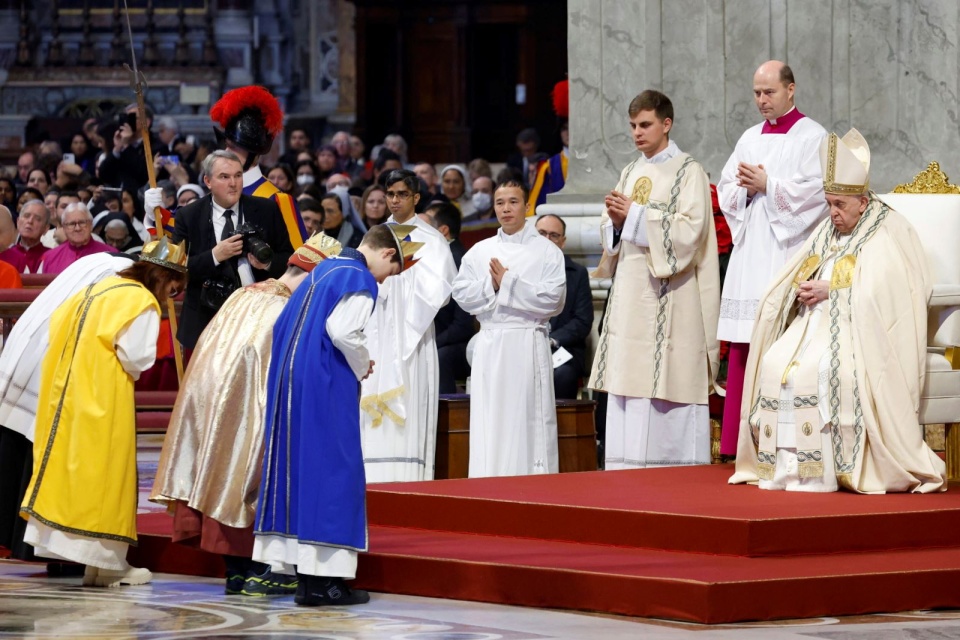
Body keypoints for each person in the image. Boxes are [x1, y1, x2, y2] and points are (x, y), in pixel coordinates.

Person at [729, 129, 946, 494]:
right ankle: (784, 471)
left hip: (857, 331)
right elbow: (798, 270)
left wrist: (834, 291)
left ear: (862, 202)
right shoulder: (829, 228)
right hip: (812, 324)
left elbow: (897, 292)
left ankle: (821, 474)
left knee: (818, 370)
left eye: (839, 206)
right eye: (828, 203)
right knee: (774, 363)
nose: (832, 213)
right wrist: (793, 291)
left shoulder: (889, 229)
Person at [150, 233, 342, 596]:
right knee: (244, 466)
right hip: (247, 403)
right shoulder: (290, 308)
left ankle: (236, 572)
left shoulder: (245, 293)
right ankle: (257, 571)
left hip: (207, 397)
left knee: (218, 466)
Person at [254, 224, 413, 606]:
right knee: (334, 469)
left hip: (289, 379)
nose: (384, 279)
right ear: (388, 255)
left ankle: (307, 579)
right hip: (324, 380)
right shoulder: (358, 277)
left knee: (300, 469)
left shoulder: (322, 269)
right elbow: (342, 331)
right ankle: (326, 582)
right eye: (391, 272)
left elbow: (281, 324)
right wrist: (363, 364)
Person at [19, 238, 187, 587]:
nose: (173, 294)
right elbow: (136, 357)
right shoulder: (140, 300)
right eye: (175, 286)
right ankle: (110, 565)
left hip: (66, 393)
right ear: (163, 276)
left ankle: (97, 564)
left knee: (77, 470)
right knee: (108, 472)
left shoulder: (100, 287)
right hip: (104, 393)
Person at [588, 90, 720, 470]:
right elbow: (610, 228)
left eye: (645, 124)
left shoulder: (688, 171)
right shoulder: (630, 171)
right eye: (632, 126)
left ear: (666, 123)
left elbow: (689, 233)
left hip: (672, 298)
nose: (637, 133)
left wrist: (634, 217)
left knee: (666, 384)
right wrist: (616, 224)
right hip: (631, 297)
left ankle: (670, 473)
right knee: (629, 384)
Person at [717, 61, 829, 459]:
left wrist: (770, 185)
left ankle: (780, 447)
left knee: (782, 346)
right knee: (747, 345)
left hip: (787, 250)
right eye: (756, 93)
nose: (762, 100)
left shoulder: (812, 136)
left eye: (769, 92)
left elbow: (819, 194)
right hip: (752, 253)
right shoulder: (749, 137)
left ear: (791, 90)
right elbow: (727, 189)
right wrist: (745, 192)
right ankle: (737, 444)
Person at [0, 252, 133, 562]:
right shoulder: (119, 278)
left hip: (27, 352)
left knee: (15, 448)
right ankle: (34, 545)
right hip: (54, 365)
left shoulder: (94, 264)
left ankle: (12, 539)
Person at [453, 179, 566, 477]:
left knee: (526, 417)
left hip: (527, 342)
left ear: (527, 206)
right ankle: (487, 480)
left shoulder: (547, 251)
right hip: (491, 343)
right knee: (491, 418)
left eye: (513, 201)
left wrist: (509, 283)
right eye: (500, 202)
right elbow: (461, 294)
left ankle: (532, 485)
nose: (506, 208)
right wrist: (491, 284)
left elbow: (554, 299)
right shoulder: (480, 251)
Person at [360, 169, 457, 482]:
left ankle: (407, 476)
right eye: (390, 194)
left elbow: (441, 289)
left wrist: (399, 281)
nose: (394, 200)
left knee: (409, 400)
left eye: (402, 194)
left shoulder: (430, 238)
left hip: (411, 333)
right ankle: (370, 474)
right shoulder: (375, 235)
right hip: (376, 327)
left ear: (416, 197)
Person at [171, 150, 295, 350]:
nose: (233, 183)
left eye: (238, 175)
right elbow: (178, 269)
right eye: (224, 177)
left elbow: (289, 258)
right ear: (208, 181)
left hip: (258, 319)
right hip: (205, 321)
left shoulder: (266, 210)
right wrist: (215, 256)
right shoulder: (188, 216)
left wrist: (268, 263)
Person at [535, 214, 593, 399]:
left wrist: (551, 340)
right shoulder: (518, 269)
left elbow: (583, 321)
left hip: (562, 349)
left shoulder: (577, 274)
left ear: (563, 241)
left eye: (554, 235)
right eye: (541, 233)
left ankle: (559, 428)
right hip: (525, 344)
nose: (547, 240)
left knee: (563, 374)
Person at [423, 202, 475, 394]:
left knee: (439, 356)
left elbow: (462, 325)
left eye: (425, 227)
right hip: (435, 336)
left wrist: (430, 343)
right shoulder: (431, 258)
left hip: (455, 342)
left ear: (443, 230)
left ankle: (443, 420)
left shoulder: (458, 261)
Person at [39, 202, 116, 274]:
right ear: (64, 228)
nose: (77, 228)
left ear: (91, 225)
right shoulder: (50, 257)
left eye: (82, 223)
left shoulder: (112, 255)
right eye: (72, 224)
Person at [2, 199, 49, 275]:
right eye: (26, 216)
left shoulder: (51, 256)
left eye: (37, 219)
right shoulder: (4, 253)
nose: (30, 221)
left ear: (46, 228)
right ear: (18, 222)